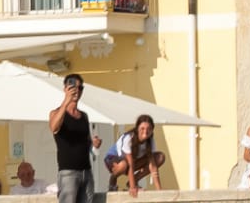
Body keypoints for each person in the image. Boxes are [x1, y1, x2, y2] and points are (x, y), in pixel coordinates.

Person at [49, 75, 100, 203]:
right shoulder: (56, 113)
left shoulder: (84, 116)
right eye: (73, 87)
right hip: (68, 173)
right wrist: (66, 101)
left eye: (80, 88)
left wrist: (94, 145)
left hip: (86, 172)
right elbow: (54, 127)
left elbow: (86, 142)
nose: (77, 90)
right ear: (65, 89)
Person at [103, 115, 164, 196]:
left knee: (160, 157)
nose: (145, 131)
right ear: (137, 128)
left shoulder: (150, 140)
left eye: (148, 129)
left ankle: (133, 180)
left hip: (130, 163)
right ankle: (113, 180)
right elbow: (130, 164)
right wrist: (133, 187)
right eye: (142, 128)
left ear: (152, 130)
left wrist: (159, 190)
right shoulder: (129, 138)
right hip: (113, 160)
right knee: (124, 164)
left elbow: (153, 166)